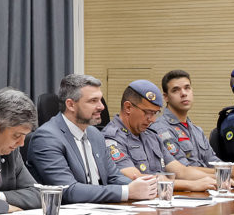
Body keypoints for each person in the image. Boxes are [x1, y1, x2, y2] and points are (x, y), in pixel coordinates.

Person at [25, 74, 157, 203]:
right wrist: (127, 191)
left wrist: (143, 186)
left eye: (100, 99)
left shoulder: (95, 133)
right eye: (93, 101)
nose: (101, 107)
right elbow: (68, 190)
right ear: (71, 105)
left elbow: (113, 176)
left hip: (100, 212)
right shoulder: (47, 138)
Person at [101, 80, 215, 192]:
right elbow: (138, 179)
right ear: (128, 107)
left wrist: (217, 180)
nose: (152, 119)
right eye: (147, 112)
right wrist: (191, 185)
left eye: (155, 113)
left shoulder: (151, 136)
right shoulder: (112, 138)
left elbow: (181, 171)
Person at [150, 69, 234, 178]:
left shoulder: (197, 130)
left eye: (187, 88)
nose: (183, 93)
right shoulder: (160, 129)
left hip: (209, 186)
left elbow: (212, 162)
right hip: (185, 190)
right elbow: (183, 170)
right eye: (176, 90)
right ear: (166, 97)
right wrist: (229, 171)